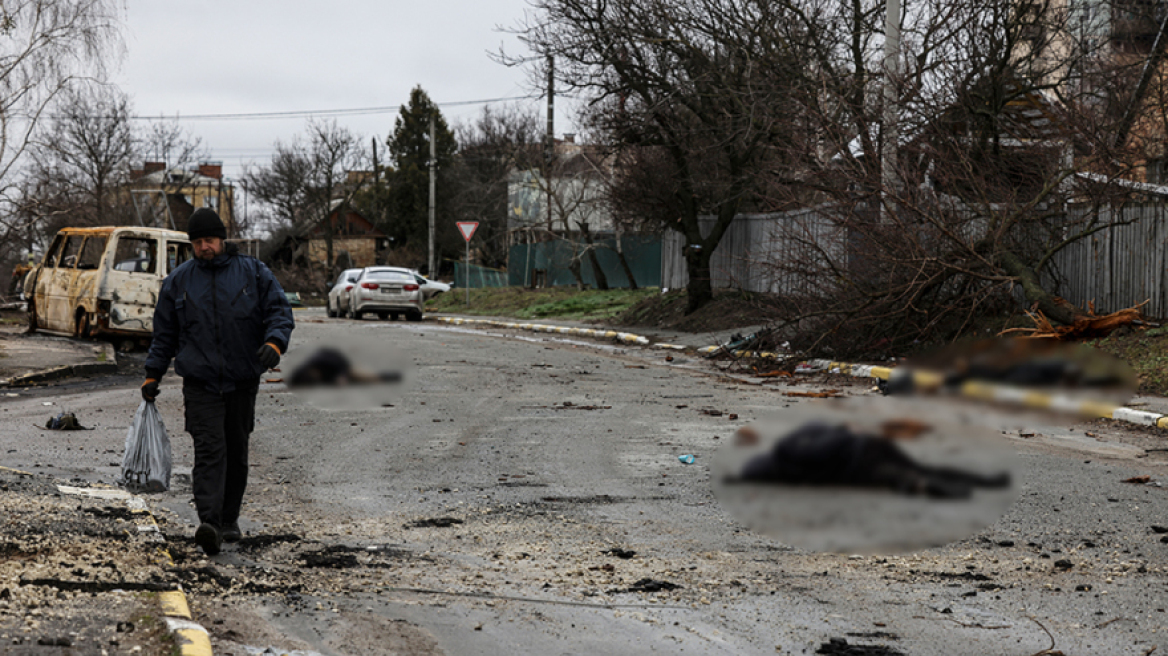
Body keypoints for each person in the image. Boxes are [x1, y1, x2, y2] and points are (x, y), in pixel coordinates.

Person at [141, 208, 294, 555]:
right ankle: (209, 522)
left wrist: (274, 343)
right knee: (209, 450)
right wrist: (153, 373)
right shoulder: (179, 281)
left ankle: (229, 520)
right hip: (201, 382)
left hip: (242, 379)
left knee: (236, 450)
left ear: (222, 239)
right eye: (197, 242)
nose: (203, 247)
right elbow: (164, 334)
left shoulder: (253, 273)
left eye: (208, 240)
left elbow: (279, 312)